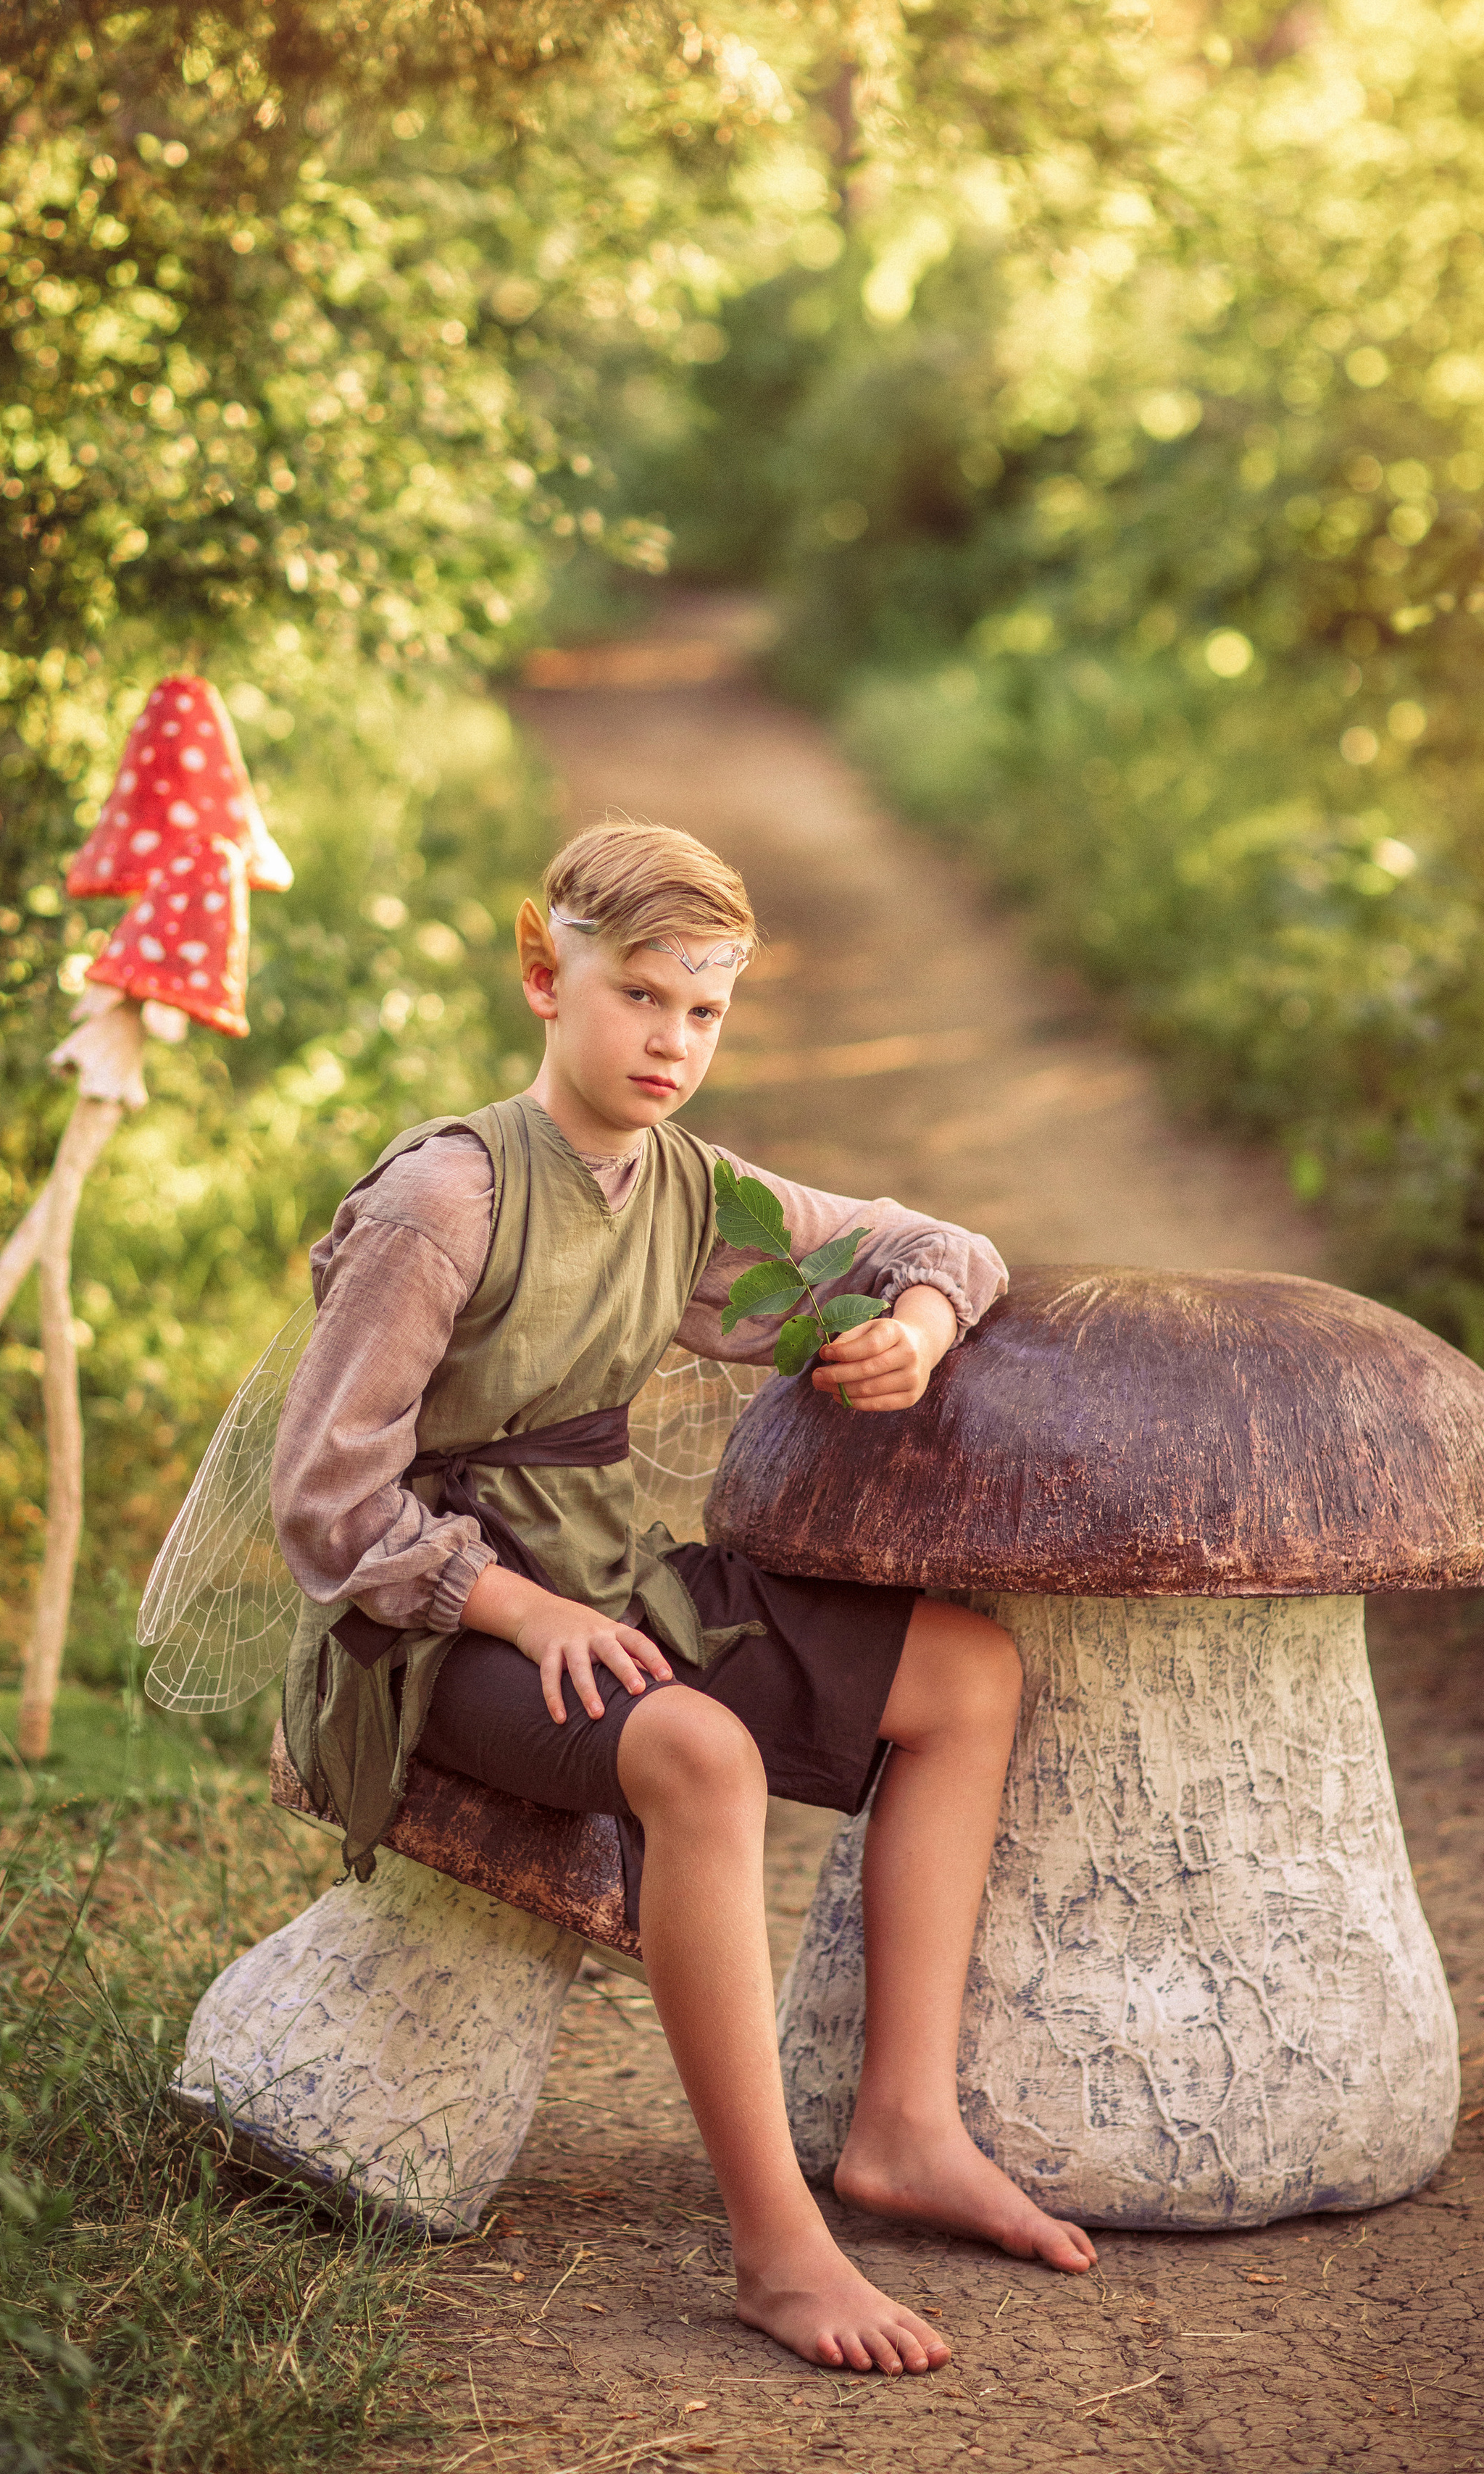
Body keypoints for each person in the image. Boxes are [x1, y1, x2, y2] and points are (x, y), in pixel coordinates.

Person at [273, 817, 1096, 2376]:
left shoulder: (688, 1192)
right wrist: (520, 1610)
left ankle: (904, 2122)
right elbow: (323, 1500)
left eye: (704, 1010)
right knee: (700, 1752)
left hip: (608, 1580)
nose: (672, 1040)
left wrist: (917, 1326)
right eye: (639, 994)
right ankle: (776, 2246)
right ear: (545, 976)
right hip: (434, 1631)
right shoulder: (445, 1201)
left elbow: (938, 1241)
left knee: (965, 1674)